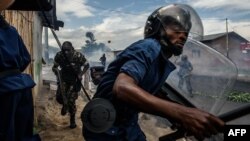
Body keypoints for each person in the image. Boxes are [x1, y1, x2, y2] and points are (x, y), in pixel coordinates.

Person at [82, 4, 224, 141]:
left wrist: (176, 115)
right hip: (105, 124)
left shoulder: (160, 59)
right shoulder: (149, 47)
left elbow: (150, 89)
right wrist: (183, 114)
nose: (183, 35)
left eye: (186, 30)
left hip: (127, 124)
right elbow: (122, 88)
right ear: (157, 28)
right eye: (176, 27)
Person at [0, 6, 41, 141]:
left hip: (4, 91)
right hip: (21, 87)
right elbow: (25, 58)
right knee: (24, 134)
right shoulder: (11, 30)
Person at [52, 41, 89, 129]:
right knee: (59, 97)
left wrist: (81, 74)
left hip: (75, 80)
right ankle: (65, 105)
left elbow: (87, 65)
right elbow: (55, 67)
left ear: (72, 49)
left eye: (68, 50)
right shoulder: (59, 55)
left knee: (71, 100)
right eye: (64, 50)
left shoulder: (78, 56)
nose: (66, 52)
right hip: (63, 79)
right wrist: (57, 72)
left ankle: (72, 120)